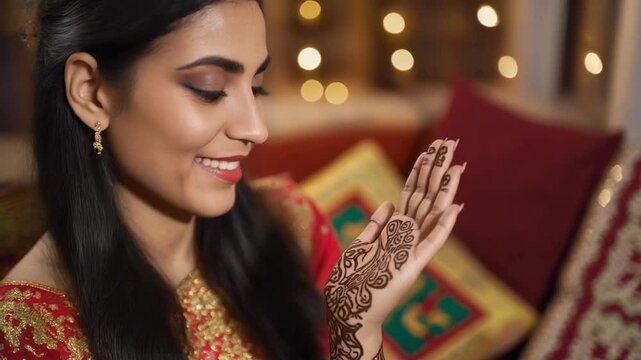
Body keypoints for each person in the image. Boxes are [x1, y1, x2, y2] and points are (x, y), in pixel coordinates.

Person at [0, 0, 465, 359]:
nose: (255, 128)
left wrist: (356, 329)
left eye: (257, 86)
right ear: (92, 93)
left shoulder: (291, 223)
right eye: (210, 89)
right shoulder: (31, 331)